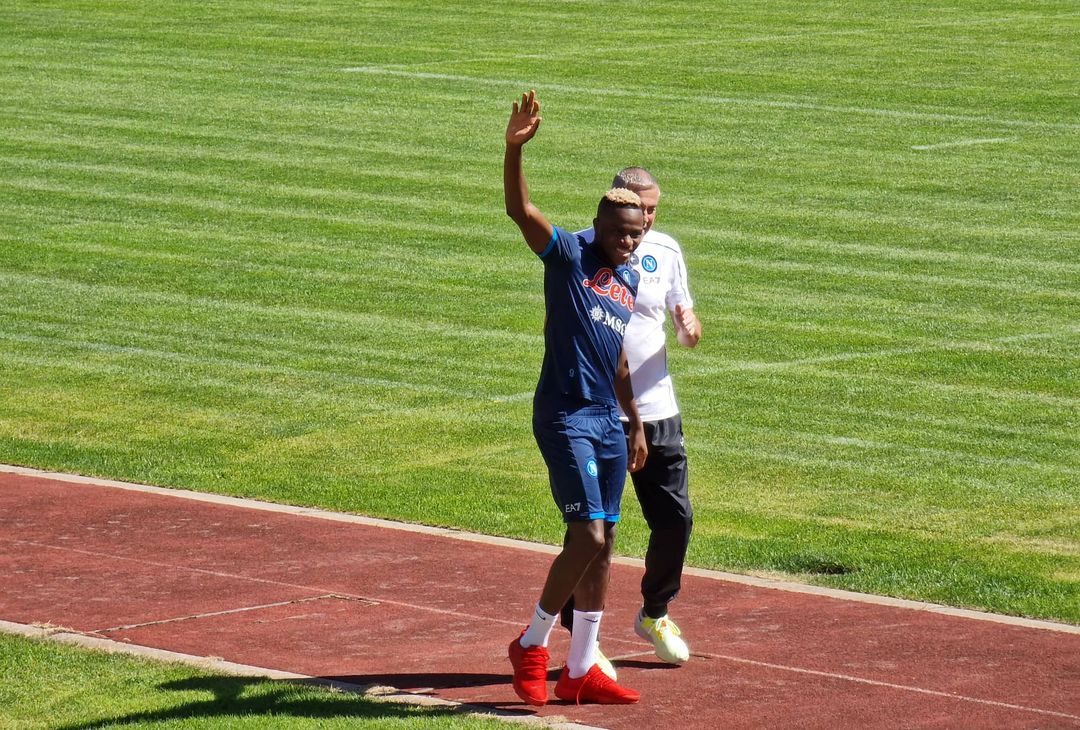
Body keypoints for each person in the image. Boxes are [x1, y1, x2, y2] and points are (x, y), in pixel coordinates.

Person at [503, 90, 648, 707]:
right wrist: (514, 150)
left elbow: (616, 357)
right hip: (564, 416)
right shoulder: (568, 255)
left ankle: (581, 668)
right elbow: (520, 209)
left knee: (608, 542)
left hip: (609, 421)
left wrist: (636, 421)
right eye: (618, 233)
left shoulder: (630, 278)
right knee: (584, 536)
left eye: (636, 234)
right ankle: (532, 644)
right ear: (599, 226)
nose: (627, 243)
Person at [562, 167, 702, 671]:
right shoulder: (581, 250)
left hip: (658, 409)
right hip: (601, 416)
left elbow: (684, 324)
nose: (648, 218)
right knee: (592, 532)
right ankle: (583, 637)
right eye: (641, 208)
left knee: (676, 519)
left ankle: (656, 611)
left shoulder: (665, 250)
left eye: (654, 209)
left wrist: (688, 329)